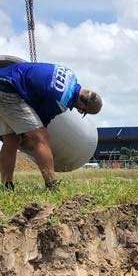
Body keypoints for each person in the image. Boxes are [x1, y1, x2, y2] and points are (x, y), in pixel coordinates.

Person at [0, 60, 102, 190]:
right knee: (41, 137)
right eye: (82, 111)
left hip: (5, 78)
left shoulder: (69, 74)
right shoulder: (62, 99)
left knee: (11, 139)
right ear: (83, 105)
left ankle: (6, 185)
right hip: (8, 90)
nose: (79, 110)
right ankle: (51, 184)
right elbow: (43, 120)